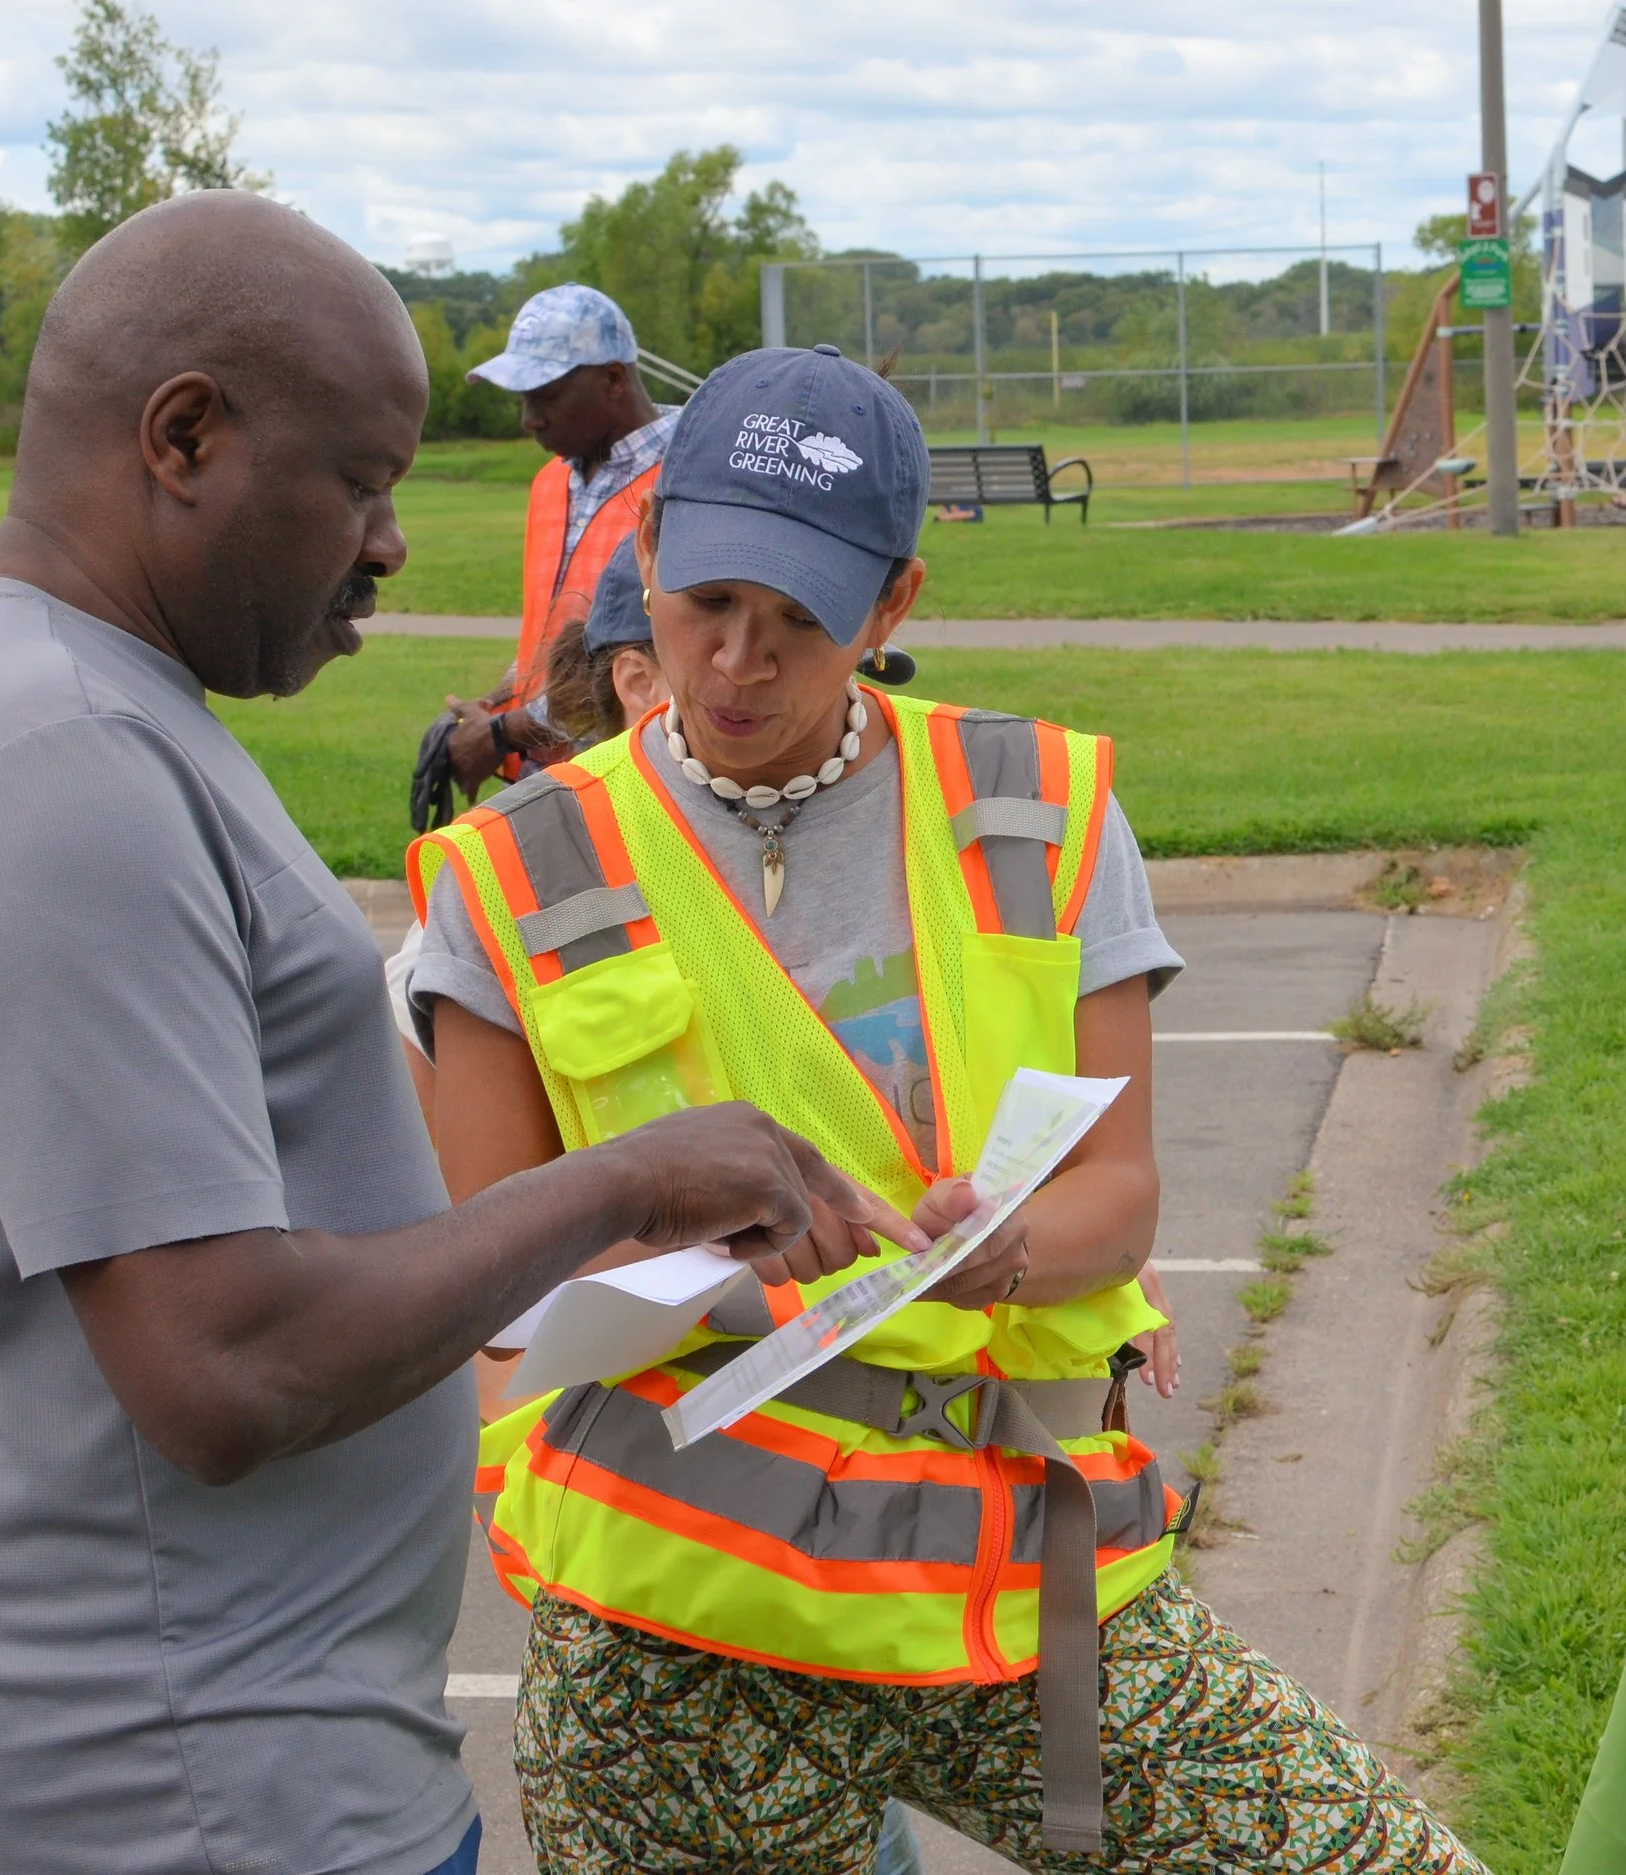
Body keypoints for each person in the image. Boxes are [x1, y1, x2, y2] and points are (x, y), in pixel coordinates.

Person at [0, 194, 925, 1875]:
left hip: (197, 1770)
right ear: (185, 437)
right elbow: (224, 1365)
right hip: (186, 1801)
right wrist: (624, 1184)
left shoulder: (39, 705)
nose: (389, 544)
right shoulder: (60, 771)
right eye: (360, 483)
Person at [410, 343, 1483, 1874]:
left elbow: (1119, 1193)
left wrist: (1012, 1250)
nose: (738, 662)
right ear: (644, 550)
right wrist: (687, 1242)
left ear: (894, 603)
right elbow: (495, 1281)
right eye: (707, 601)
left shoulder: (1034, 803)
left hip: (1024, 1564)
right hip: (681, 1628)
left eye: (800, 618)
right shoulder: (517, 870)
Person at [439, 283, 679, 799]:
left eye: (545, 396)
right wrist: (495, 705)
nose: (529, 419)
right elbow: (551, 639)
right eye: (523, 399)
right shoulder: (551, 482)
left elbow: (651, 659)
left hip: (636, 779)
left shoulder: (685, 482)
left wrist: (500, 733)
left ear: (613, 379)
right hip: (545, 775)